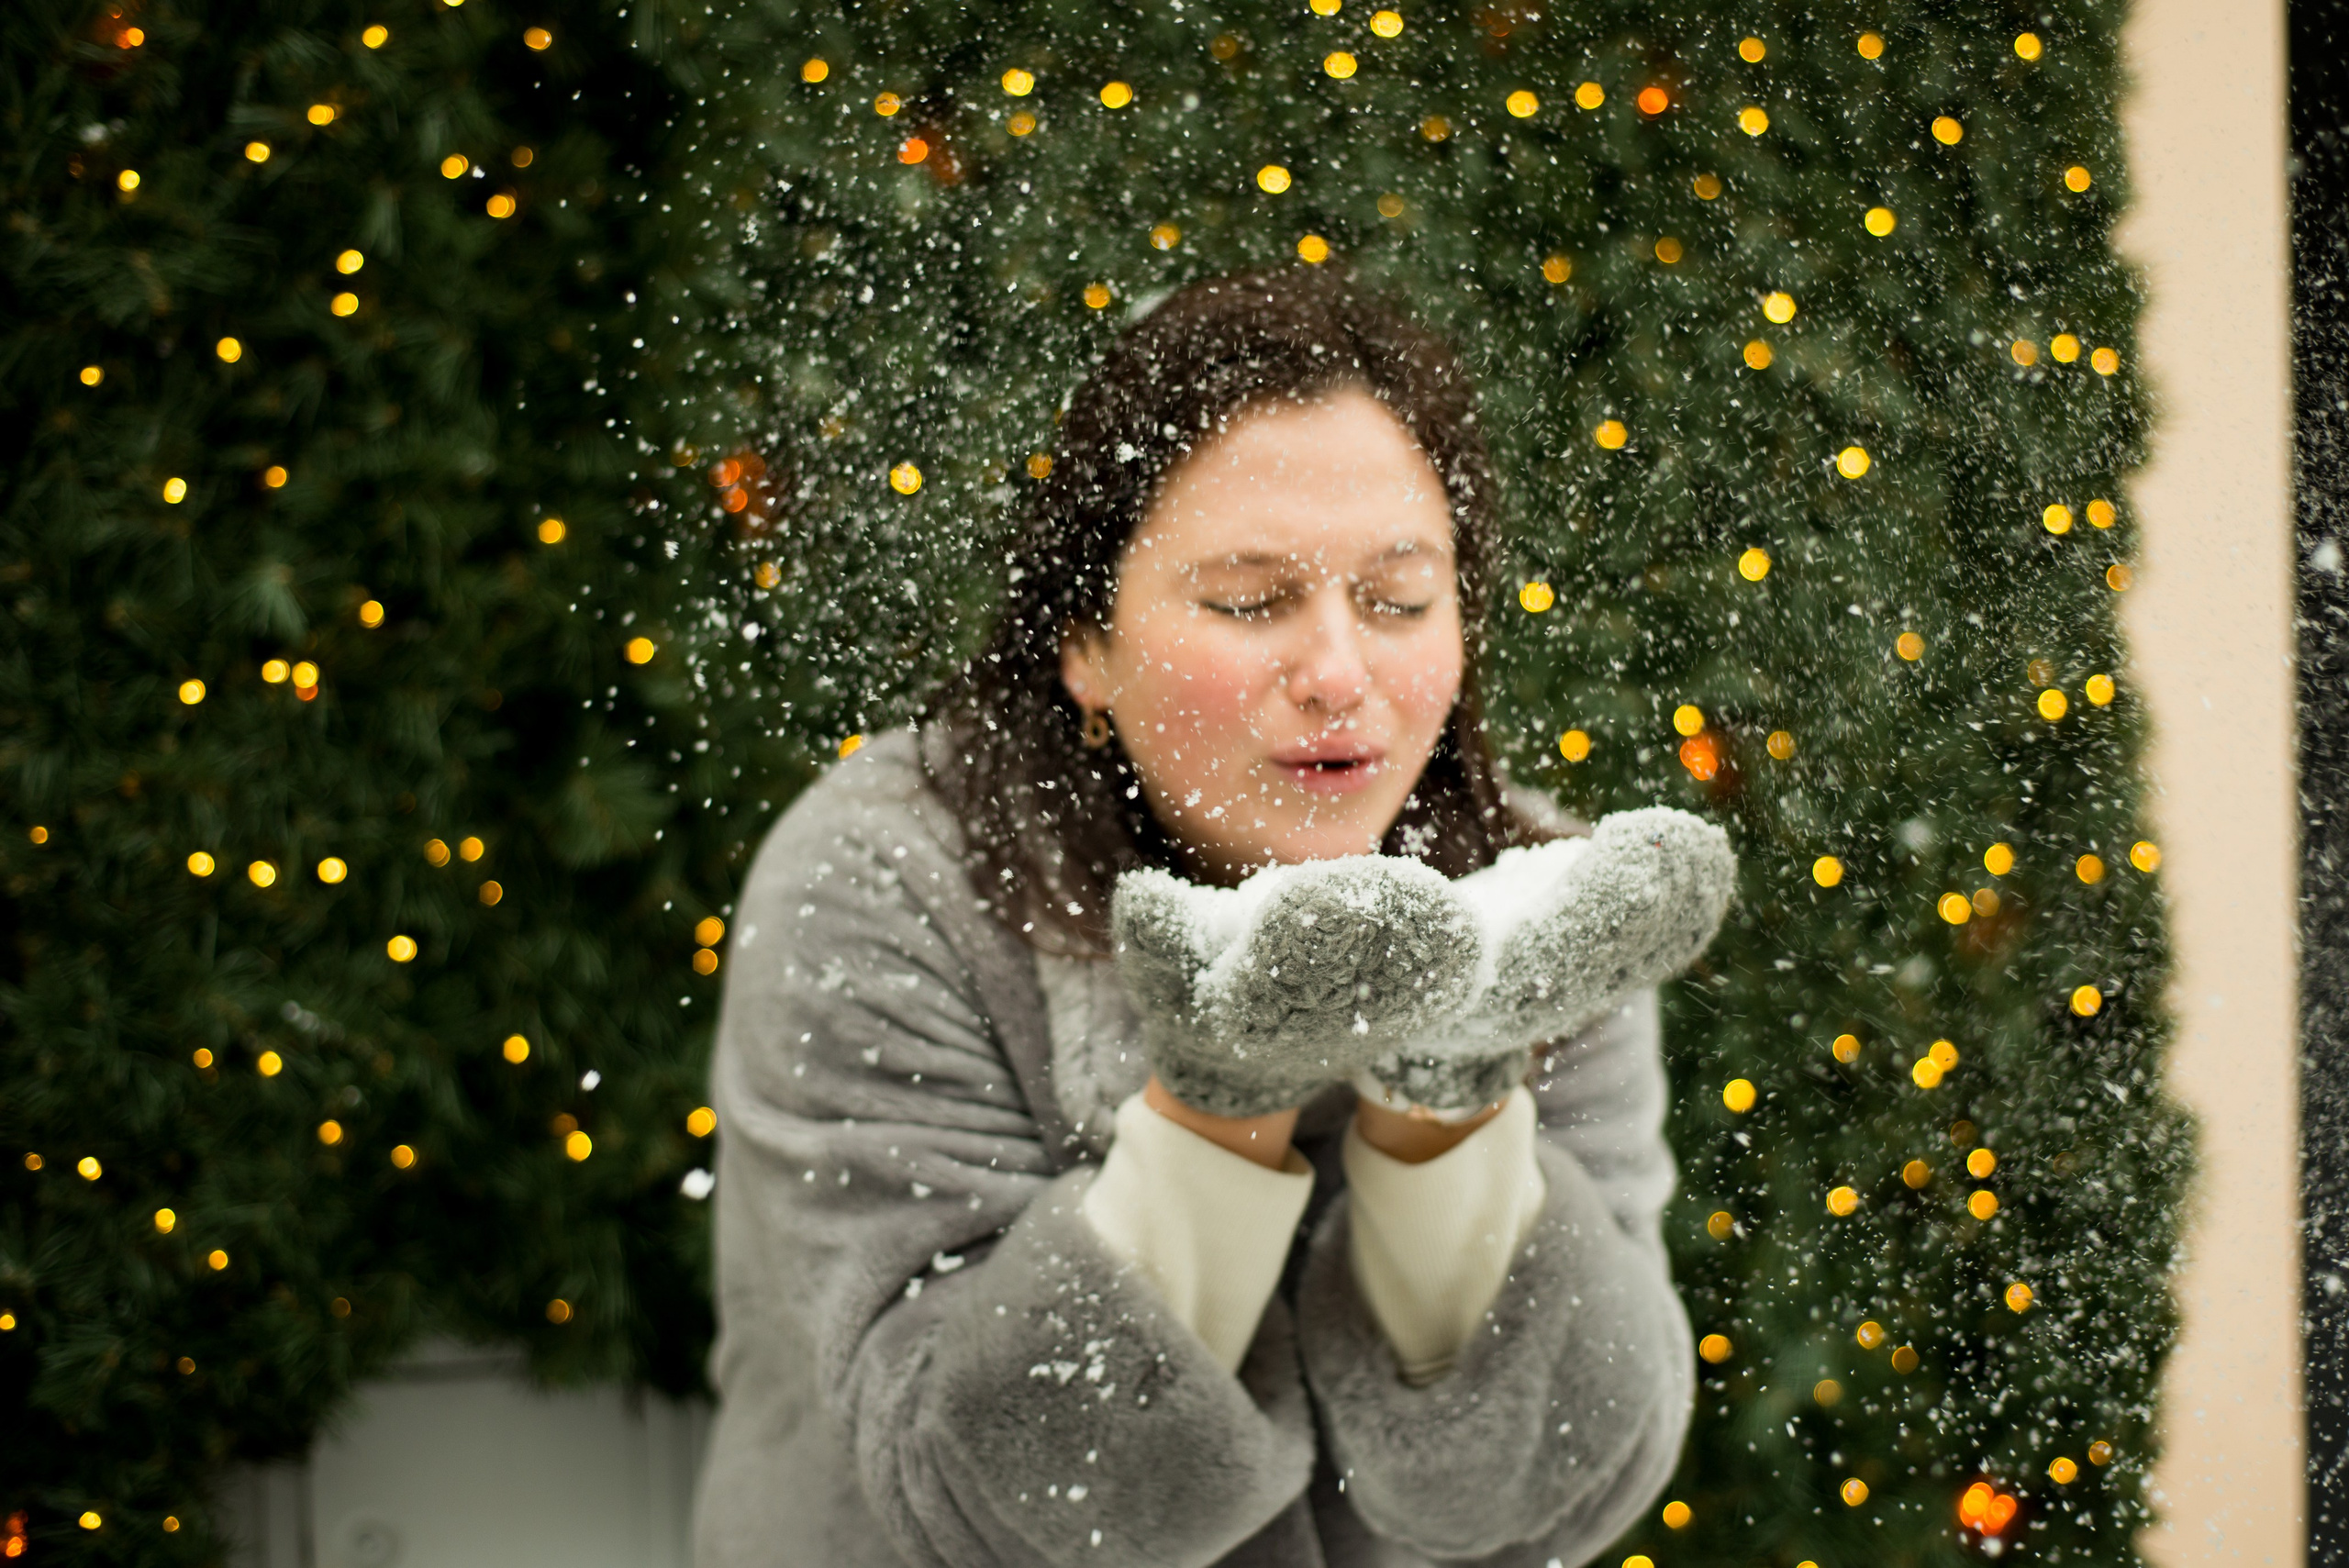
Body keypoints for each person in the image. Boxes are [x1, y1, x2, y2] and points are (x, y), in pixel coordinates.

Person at [694, 267, 1704, 1568]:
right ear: (1085, 641)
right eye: (1249, 600)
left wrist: (1446, 1093)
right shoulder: (886, 874)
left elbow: (1558, 1488)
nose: (1341, 673)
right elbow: (979, 1505)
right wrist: (1228, 1093)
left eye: (1399, 599)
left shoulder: (1534, 898)